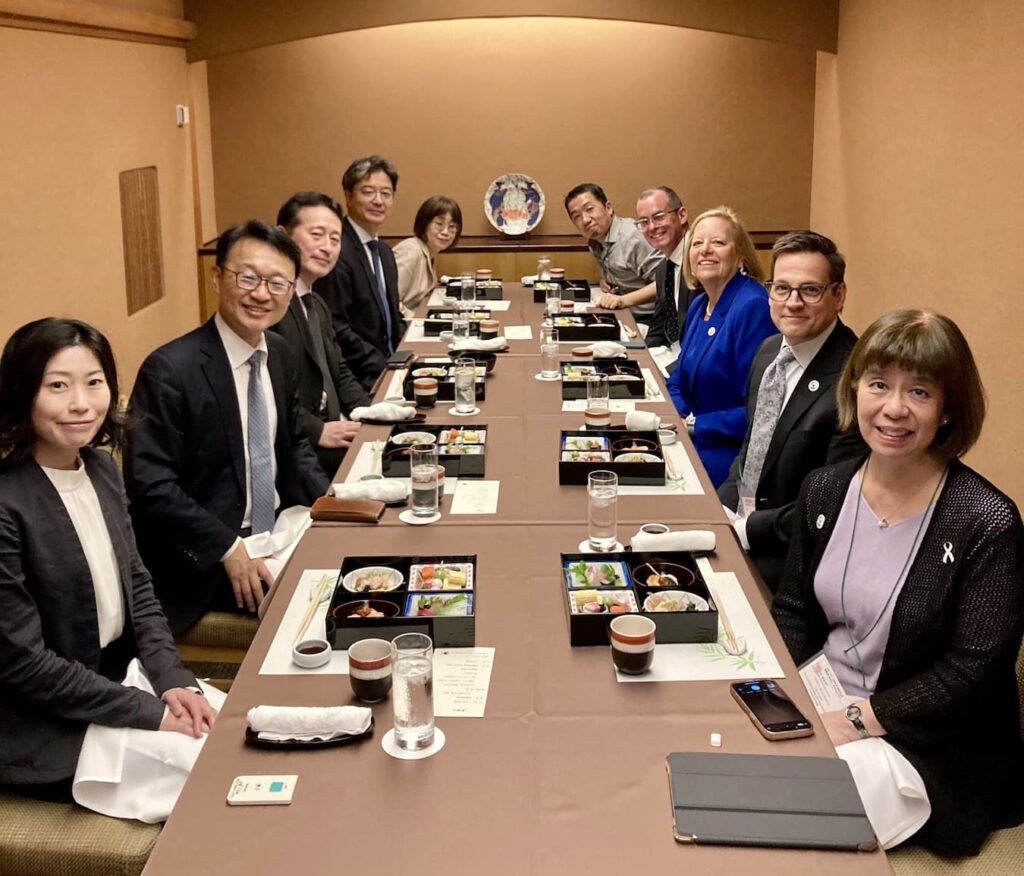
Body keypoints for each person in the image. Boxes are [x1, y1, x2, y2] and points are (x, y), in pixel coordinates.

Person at [772, 310, 1024, 855]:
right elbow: (793, 610)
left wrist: (858, 718)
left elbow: (971, 672)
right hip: (821, 698)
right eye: (879, 384)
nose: (893, 408)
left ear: (949, 409)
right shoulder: (824, 489)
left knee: (789, 827)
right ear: (855, 388)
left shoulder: (986, 521)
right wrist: (781, 692)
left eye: (920, 392)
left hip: (922, 742)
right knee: (733, 775)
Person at [0, 318, 217, 805]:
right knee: (215, 782)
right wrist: (149, 711)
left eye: (94, 383)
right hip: (42, 722)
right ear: (22, 393)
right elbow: (24, 665)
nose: (81, 403)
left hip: (117, 682)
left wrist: (171, 677)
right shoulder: (7, 502)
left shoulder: (99, 469)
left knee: (241, 737)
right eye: (58, 386)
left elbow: (139, 588)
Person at [126, 221, 329, 633]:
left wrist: (329, 505)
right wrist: (225, 546)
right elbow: (150, 484)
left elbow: (294, 444)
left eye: (277, 283)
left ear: (292, 291)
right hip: (208, 556)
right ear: (218, 277)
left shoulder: (281, 355)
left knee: (367, 575)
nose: (260, 294)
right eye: (248, 277)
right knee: (315, 615)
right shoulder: (170, 369)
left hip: (279, 530)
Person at [719, 231, 866, 592]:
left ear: (839, 296)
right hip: (740, 527)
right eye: (781, 288)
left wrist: (743, 531)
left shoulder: (856, 380)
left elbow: (832, 506)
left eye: (810, 290)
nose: (792, 302)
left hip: (795, 564)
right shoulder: (770, 351)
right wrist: (717, 508)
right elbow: (750, 450)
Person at [666, 206, 777, 487]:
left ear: (739, 255)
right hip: (686, 437)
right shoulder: (699, 305)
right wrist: (676, 418)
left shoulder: (752, 306)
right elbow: (678, 379)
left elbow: (759, 408)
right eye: (698, 243)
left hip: (727, 454)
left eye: (717, 242)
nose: (705, 250)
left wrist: (693, 426)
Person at [272, 191, 370, 478]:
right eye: (316, 234)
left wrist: (371, 413)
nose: (326, 247)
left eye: (335, 239)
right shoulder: (271, 307)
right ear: (282, 236)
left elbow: (339, 371)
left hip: (333, 427)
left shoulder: (315, 303)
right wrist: (318, 431)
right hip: (298, 445)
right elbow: (266, 394)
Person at [314, 155, 406, 389]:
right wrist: (385, 368)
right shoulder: (336, 250)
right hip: (357, 378)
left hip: (391, 368)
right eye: (368, 192)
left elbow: (392, 317)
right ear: (348, 195)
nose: (378, 201)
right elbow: (337, 329)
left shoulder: (384, 252)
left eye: (386, 193)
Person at [596, 186, 696, 373]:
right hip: (667, 354)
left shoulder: (698, 262)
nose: (651, 227)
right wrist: (642, 360)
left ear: (682, 215)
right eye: (643, 221)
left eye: (659, 217)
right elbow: (659, 327)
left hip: (687, 365)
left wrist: (662, 374)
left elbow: (701, 342)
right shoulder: (666, 267)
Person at [564, 183, 662, 321]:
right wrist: (607, 281)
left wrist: (623, 300)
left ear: (608, 208)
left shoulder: (632, 238)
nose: (585, 220)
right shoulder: (595, 242)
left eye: (590, 209)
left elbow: (667, 282)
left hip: (650, 319)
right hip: (622, 315)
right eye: (576, 217)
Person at [393, 195, 462, 317]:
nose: (445, 232)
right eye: (439, 224)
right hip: (401, 328)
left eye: (452, 226)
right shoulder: (410, 250)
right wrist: (417, 321)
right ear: (424, 224)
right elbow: (389, 301)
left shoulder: (429, 252)